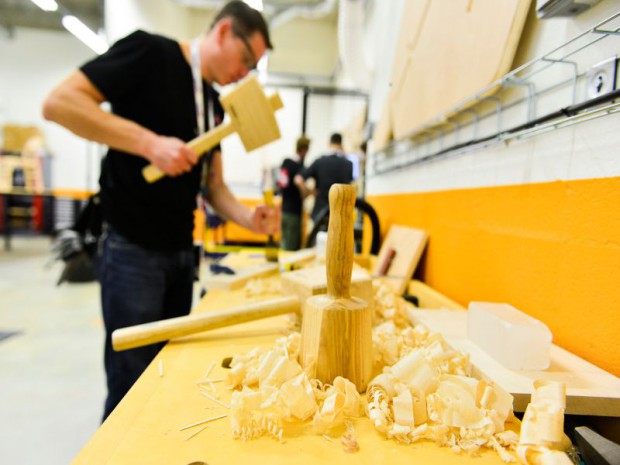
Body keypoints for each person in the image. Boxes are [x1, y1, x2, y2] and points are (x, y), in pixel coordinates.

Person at [42, 1, 279, 421]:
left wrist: (248, 219)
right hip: (132, 250)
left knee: (165, 377)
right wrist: (149, 143)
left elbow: (215, 186)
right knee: (130, 383)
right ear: (223, 31)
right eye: (246, 60)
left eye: (253, 68)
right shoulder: (149, 53)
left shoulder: (214, 104)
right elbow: (59, 104)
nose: (244, 74)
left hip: (180, 255)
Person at [294, 132, 353, 223]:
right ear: (341, 145)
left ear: (329, 143)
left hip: (320, 215)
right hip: (340, 218)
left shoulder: (320, 162)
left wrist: (308, 192)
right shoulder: (348, 164)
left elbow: (298, 179)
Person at [277, 135, 310, 250]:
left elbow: (280, 184)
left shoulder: (285, 162)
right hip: (294, 213)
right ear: (304, 149)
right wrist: (308, 192)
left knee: (284, 245)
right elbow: (299, 183)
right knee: (291, 249)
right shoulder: (299, 167)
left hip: (284, 211)